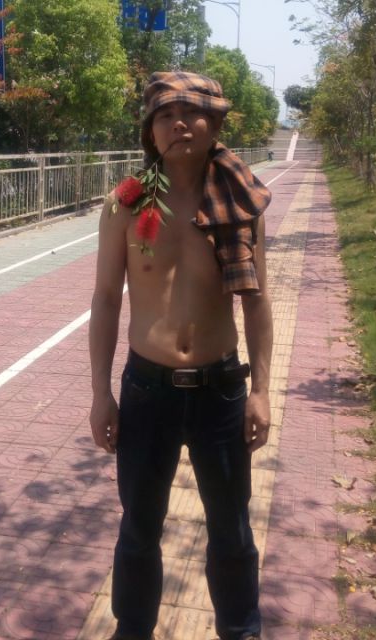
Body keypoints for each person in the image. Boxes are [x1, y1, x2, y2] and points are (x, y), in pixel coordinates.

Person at [89, 71, 273, 640]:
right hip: (147, 391)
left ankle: (240, 631)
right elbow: (105, 300)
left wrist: (262, 391)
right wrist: (100, 394)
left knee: (232, 529)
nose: (179, 124)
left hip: (221, 390)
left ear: (214, 125)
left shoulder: (241, 201)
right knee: (139, 529)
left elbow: (257, 302)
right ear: (151, 130)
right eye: (165, 115)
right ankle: (133, 630)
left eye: (193, 114)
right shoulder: (126, 203)